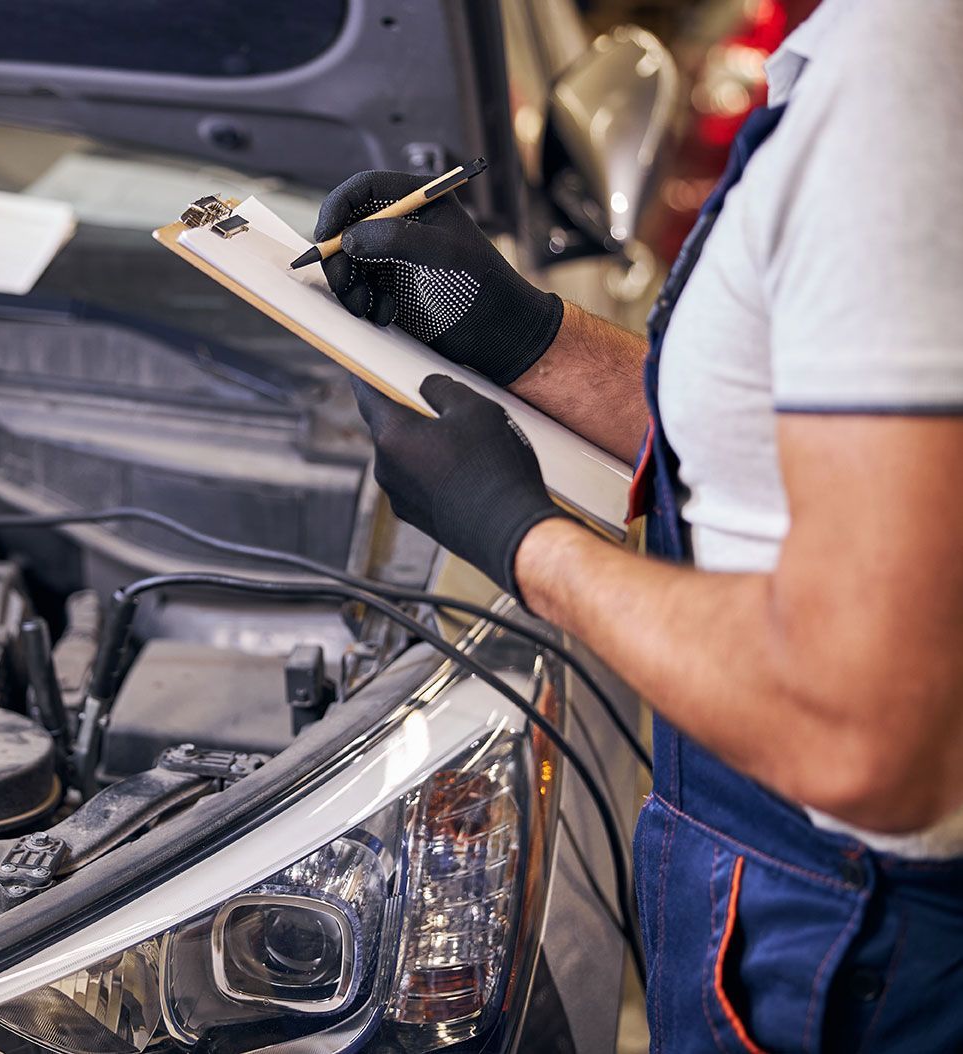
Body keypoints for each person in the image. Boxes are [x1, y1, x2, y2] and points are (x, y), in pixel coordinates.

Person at [317, 1, 963, 1049]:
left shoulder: (907, 85)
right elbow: (787, 441)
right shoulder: (876, 53)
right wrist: (522, 333)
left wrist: (522, 536)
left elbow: (863, 729)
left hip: (860, 941)